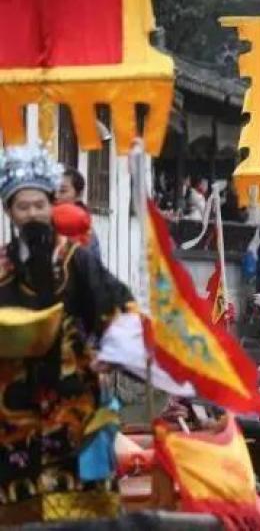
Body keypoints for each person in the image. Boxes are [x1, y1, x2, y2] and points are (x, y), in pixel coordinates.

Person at [0, 145, 146, 524]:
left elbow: (119, 307)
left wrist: (110, 353)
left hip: (74, 394)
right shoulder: (1, 265)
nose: (32, 213)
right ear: (10, 213)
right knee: (16, 496)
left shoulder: (77, 259)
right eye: (22, 207)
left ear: (52, 206)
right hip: (13, 399)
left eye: (38, 205)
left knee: (82, 504)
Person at [53, 168, 102, 260]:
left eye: (62, 191)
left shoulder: (85, 233)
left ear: (79, 195)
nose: (56, 196)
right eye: (53, 190)